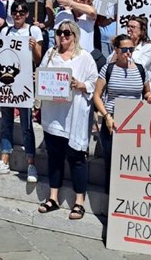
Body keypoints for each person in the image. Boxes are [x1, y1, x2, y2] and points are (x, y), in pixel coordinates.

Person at [37, 20, 98, 220]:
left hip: (74, 115)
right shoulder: (50, 54)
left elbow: (94, 82)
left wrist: (80, 84)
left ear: (75, 35)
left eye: (67, 33)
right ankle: (53, 196)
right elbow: (42, 75)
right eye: (59, 32)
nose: (63, 36)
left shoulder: (85, 57)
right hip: (53, 114)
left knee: (76, 158)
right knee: (54, 157)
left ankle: (79, 201)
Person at [93, 34, 151, 193]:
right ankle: (111, 201)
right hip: (112, 121)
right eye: (124, 50)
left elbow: (147, 91)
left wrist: (150, 97)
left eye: (131, 49)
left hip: (135, 124)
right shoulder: (108, 69)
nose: (128, 53)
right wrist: (106, 116)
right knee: (112, 162)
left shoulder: (141, 69)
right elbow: (97, 95)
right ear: (116, 50)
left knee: (131, 163)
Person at [0, 0, 42, 182]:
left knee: (27, 125)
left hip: (24, 84)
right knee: (6, 122)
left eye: (22, 11)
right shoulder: (5, 31)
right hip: (6, 84)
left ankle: (31, 163)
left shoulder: (33, 30)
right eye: (15, 11)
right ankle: (4, 159)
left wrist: (34, 48)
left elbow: (38, 59)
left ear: (27, 13)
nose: (18, 14)